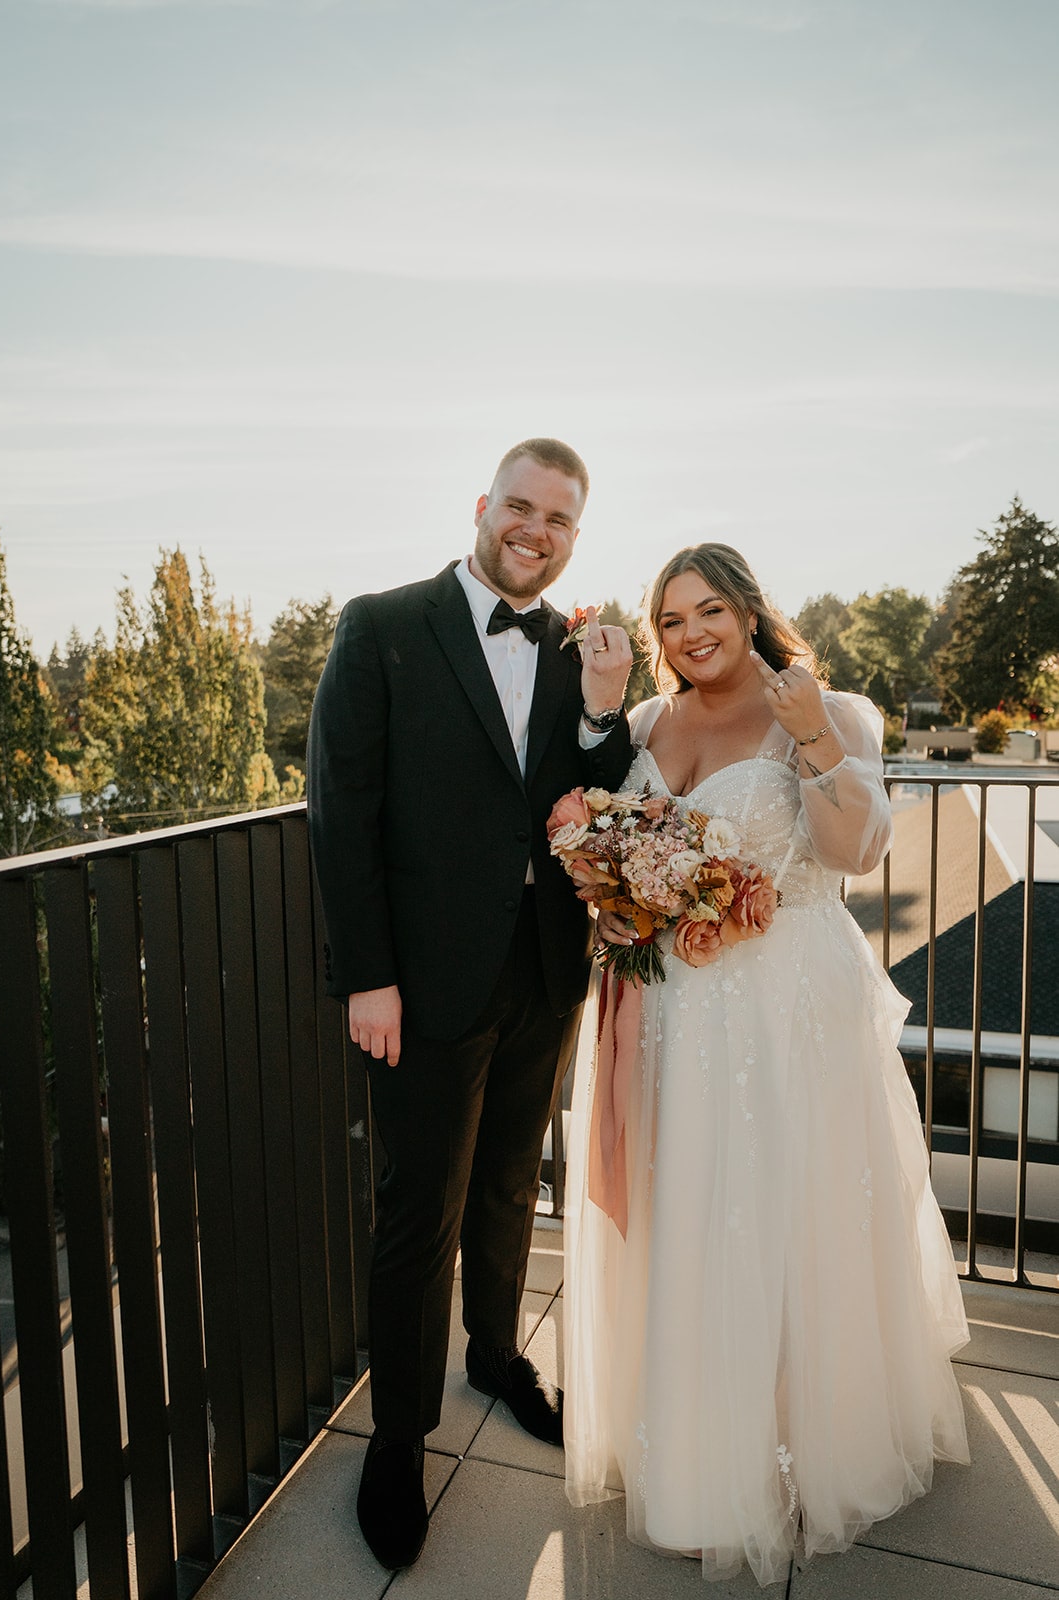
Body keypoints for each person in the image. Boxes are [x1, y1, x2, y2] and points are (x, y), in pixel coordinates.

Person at [563, 543, 969, 1587]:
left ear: (746, 608)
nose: (688, 633)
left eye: (706, 609)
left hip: (783, 1002)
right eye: (668, 620)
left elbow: (856, 850)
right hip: (667, 1012)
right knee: (682, 1217)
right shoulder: (650, 724)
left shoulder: (832, 704)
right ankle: (693, 1454)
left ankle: (798, 1445)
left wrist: (810, 740)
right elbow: (601, 816)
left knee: (788, 1214)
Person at [307, 438, 633, 1571]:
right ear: (482, 507)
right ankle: (397, 1437)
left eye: (558, 519)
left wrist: (602, 710)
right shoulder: (382, 625)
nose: (534, 530)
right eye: (520, 507)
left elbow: (587, 796)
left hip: (540, 971)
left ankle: (496, 1355)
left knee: (507, 1182)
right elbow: (341, 814)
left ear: (572, 537)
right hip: (418, 989)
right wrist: (367, 975)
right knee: (417, 1213)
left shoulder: (569, 650)